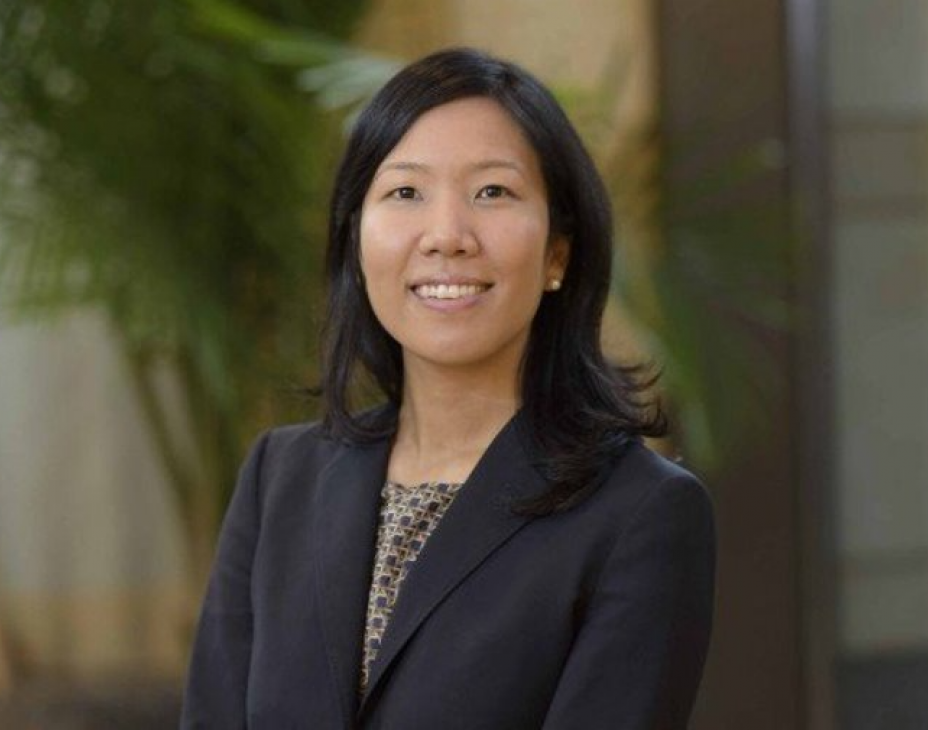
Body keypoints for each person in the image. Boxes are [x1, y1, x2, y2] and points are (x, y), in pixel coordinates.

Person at [180, 47, 715, 729]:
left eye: (493, 191)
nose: (447, 236)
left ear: (558, 252)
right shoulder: (278, 479)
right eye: (405, 192)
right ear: (355, 240)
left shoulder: (641, 515)